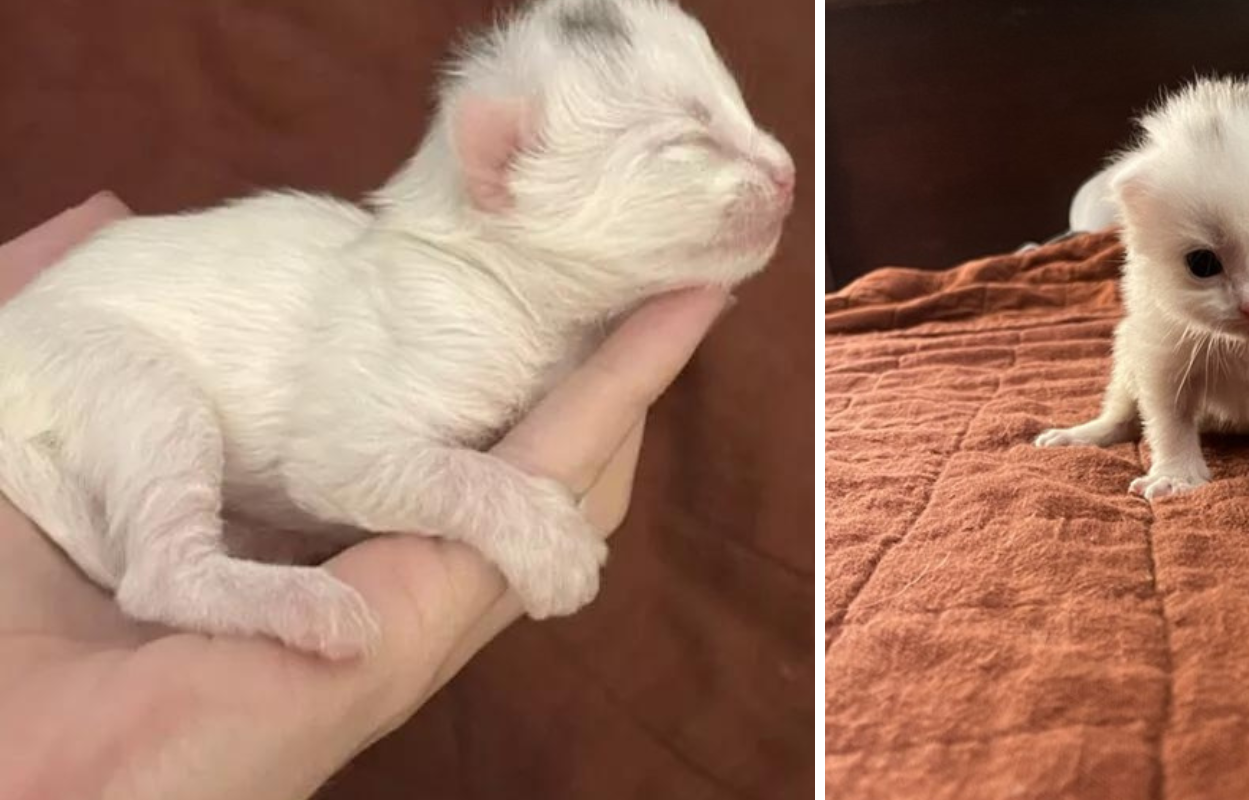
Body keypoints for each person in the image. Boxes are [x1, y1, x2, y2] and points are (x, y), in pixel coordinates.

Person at [0, 193, 730, 800]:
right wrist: (506, 512)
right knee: (166, 418)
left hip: (93, 390)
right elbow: (348, 465)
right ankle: (177, 566)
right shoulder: (431, 302)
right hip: (78, 344)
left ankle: (180, 558)